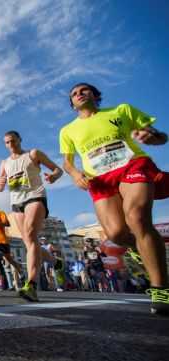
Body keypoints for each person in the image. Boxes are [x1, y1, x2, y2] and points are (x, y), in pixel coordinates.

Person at [60, 82, 169, 314]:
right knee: (117, 234)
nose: (79, 94)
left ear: (95, 95)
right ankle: (143, 248)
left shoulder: (121, 110)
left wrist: (152, 137)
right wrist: (75, 173)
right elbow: (67, 162)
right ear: (72, 103)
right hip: (99, 179)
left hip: (133, 165)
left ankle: (160, 289)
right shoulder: (67, 130)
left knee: (137, 219)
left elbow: (161, 137)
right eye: (74, 94)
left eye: (83, 91)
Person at [0, 130, 63, 301]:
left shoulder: (33, 154)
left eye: (13, 141)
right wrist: (0, 183)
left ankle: (31, 285)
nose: (10, 145)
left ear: (19, 139)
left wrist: (54, 176)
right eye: (7, 143)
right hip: (16, 202)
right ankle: (55, 263)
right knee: (29, 242)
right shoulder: (4, 163)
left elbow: (58, 169)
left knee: (31, 235)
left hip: (35, 196)